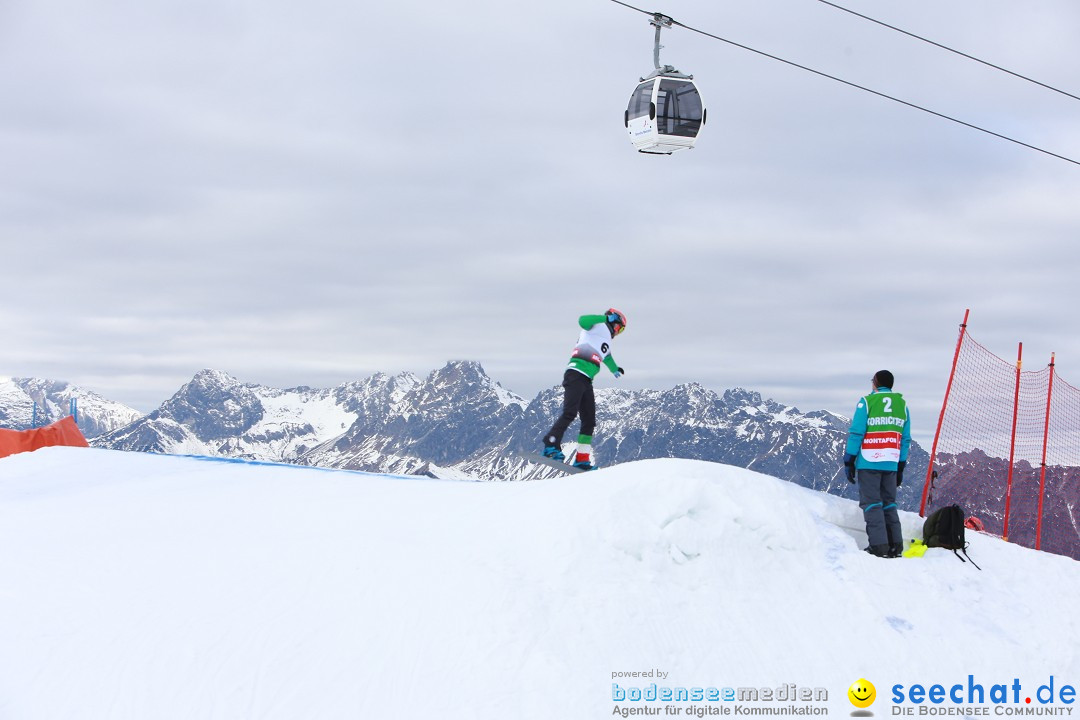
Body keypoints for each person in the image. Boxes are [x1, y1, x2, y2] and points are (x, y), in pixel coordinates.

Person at [542, 309, 627, 471]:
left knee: (589, 421)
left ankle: (582, 459)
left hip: (586, 380)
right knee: (570, 412)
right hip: (575, 374)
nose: (617, 332)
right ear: (613, 320)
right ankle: (550, 443)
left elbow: (607, 357)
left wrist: (615, 369)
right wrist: (605, 318)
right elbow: (582, 320)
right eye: (619, 327)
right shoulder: (597, 326)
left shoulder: (606, 340)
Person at [843, 370, 912, 558]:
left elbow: (857, 432)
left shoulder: (866, 402)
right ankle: (895, 546)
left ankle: (879, 546)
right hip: (891, 461)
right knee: (889, 503)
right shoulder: (902, 405)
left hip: (869, 459)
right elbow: (905, 439)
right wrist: (901, 465)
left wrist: (849, 459)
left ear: (876, 383)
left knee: (872, 503)